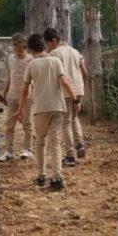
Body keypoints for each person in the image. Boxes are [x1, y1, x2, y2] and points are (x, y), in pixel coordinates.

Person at [18, 33, 76, 191]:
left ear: (30, 49)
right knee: (55, 142)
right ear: (44, 46)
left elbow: (25, 90)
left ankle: (42, 175)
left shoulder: (31, 65)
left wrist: (19, 109)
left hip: (40, 108)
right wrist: (75, 97)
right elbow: (64, 82)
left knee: (41, 142)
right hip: (57, 106)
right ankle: (57, 177)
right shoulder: (56, 61)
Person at [44, 27, 87, 165]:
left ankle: (70, 155)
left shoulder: (55, 54)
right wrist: (81, 86)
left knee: (66, 122)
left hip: (66, 90)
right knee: (74, 118)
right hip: (78, 88)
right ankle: (79, 143)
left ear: (53, 41)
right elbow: (84, 71)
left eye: (48, 44)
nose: (48, 48)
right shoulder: (75, 51)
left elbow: (54, 76)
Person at [0, 32, 33, 162]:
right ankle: (8, 151)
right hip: (12, 96)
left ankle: (27, 149)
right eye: (14, 49)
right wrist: (4, 93)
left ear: (24, 46)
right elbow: (10, 76)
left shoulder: (30, 59)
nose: (17, 52)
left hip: (27, 96)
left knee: (27, 124)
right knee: (9, 125)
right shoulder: (10, 58)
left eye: (19, 49)